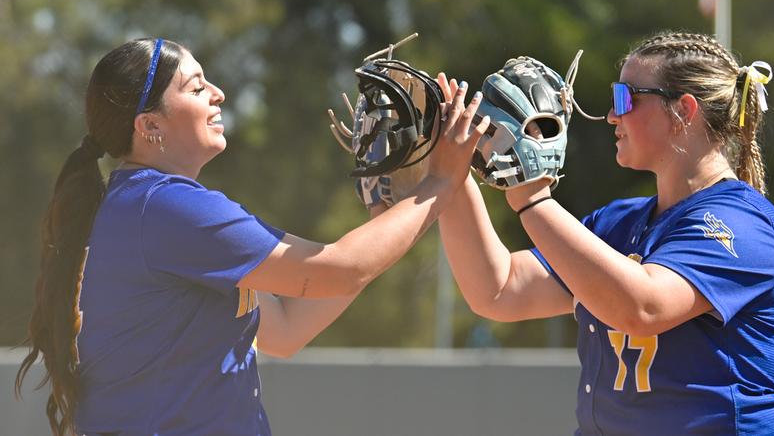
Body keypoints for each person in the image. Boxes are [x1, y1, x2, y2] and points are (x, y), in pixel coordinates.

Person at [14, 37, 490, 436]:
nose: (218, 93)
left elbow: (284, 329)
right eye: (197, 87)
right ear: (150, 126)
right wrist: (441, 183)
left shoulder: (150, 204)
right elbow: (338, 270)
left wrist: (388, 221)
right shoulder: (165, 206)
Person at [437, 31, 774, 435]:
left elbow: (642, 308)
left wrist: (532, 199)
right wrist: (450, 173)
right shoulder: (620, 221)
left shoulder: (742, 224)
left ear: (684, 110)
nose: (612, 114)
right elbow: (499, 289)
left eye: (626, 97)